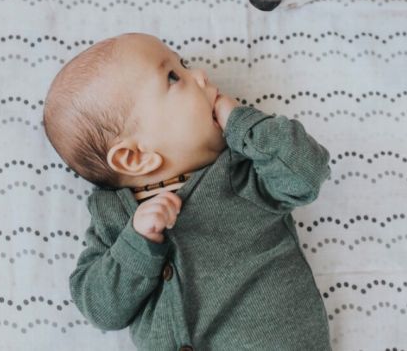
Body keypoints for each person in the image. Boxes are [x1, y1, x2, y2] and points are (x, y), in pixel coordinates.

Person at [43, 33, 332, 350]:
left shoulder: (242, 171)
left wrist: (241, 122)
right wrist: (136, 244)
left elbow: (307, 173)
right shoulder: (114, 220)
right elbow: (100, 309)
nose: (200, 76)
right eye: (173, 77)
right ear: (133, 157)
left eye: (184, 65)